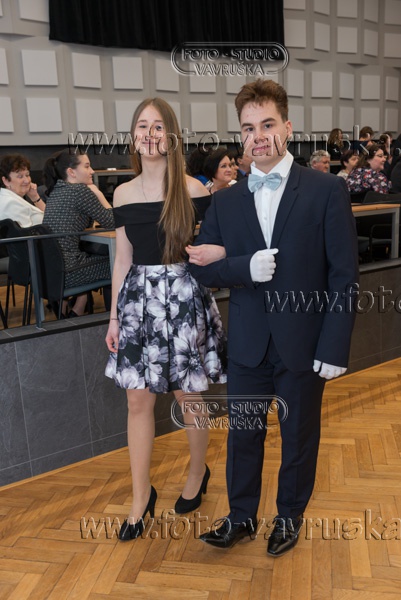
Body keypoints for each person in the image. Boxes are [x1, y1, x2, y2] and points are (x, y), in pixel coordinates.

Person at [187, 79, 358, 557]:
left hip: (305, 342)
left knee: (298, 436)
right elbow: (202, 269)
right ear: (240, 134)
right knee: (243, 435)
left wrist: (334, 345)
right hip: (248, 342)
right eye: (248, 128)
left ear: (288, 127)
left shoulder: (327, 189)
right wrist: (245, 266)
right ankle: (241, 517)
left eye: (267, 125)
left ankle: (288, 518)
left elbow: (344, 276)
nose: (258, 136)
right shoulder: (224, 200)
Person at [104, 98, 226, 541]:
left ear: (171, 136)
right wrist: (113, 317)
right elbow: (122, 260)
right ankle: (141, 497)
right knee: (137, 401)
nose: (150, 134)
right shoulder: (122, 193)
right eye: (142, 126)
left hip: (184, 298)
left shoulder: (194, 190)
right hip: (137, 303)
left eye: (158, 126)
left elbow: (218, 248)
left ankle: (197, 472)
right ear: (133, 135)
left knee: (188, 397)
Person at [43, 150, 115, 317]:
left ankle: (78, 310)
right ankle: (113, 318)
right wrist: (99, 194)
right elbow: (112, 222)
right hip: (70, 272)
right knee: (118, 263)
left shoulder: (56, 191)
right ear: (71, 172)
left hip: (50, 271)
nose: (92, 171)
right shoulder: (79, 191)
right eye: (87, 166)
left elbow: (82, 223)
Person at [0, 154, 45, 227]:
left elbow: (51, 218)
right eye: (20, 176)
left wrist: (35, 197)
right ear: (6, 181)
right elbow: (26, 233)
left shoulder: (11, 198)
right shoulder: (11, 203)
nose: (27, 181)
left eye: (27, 175)